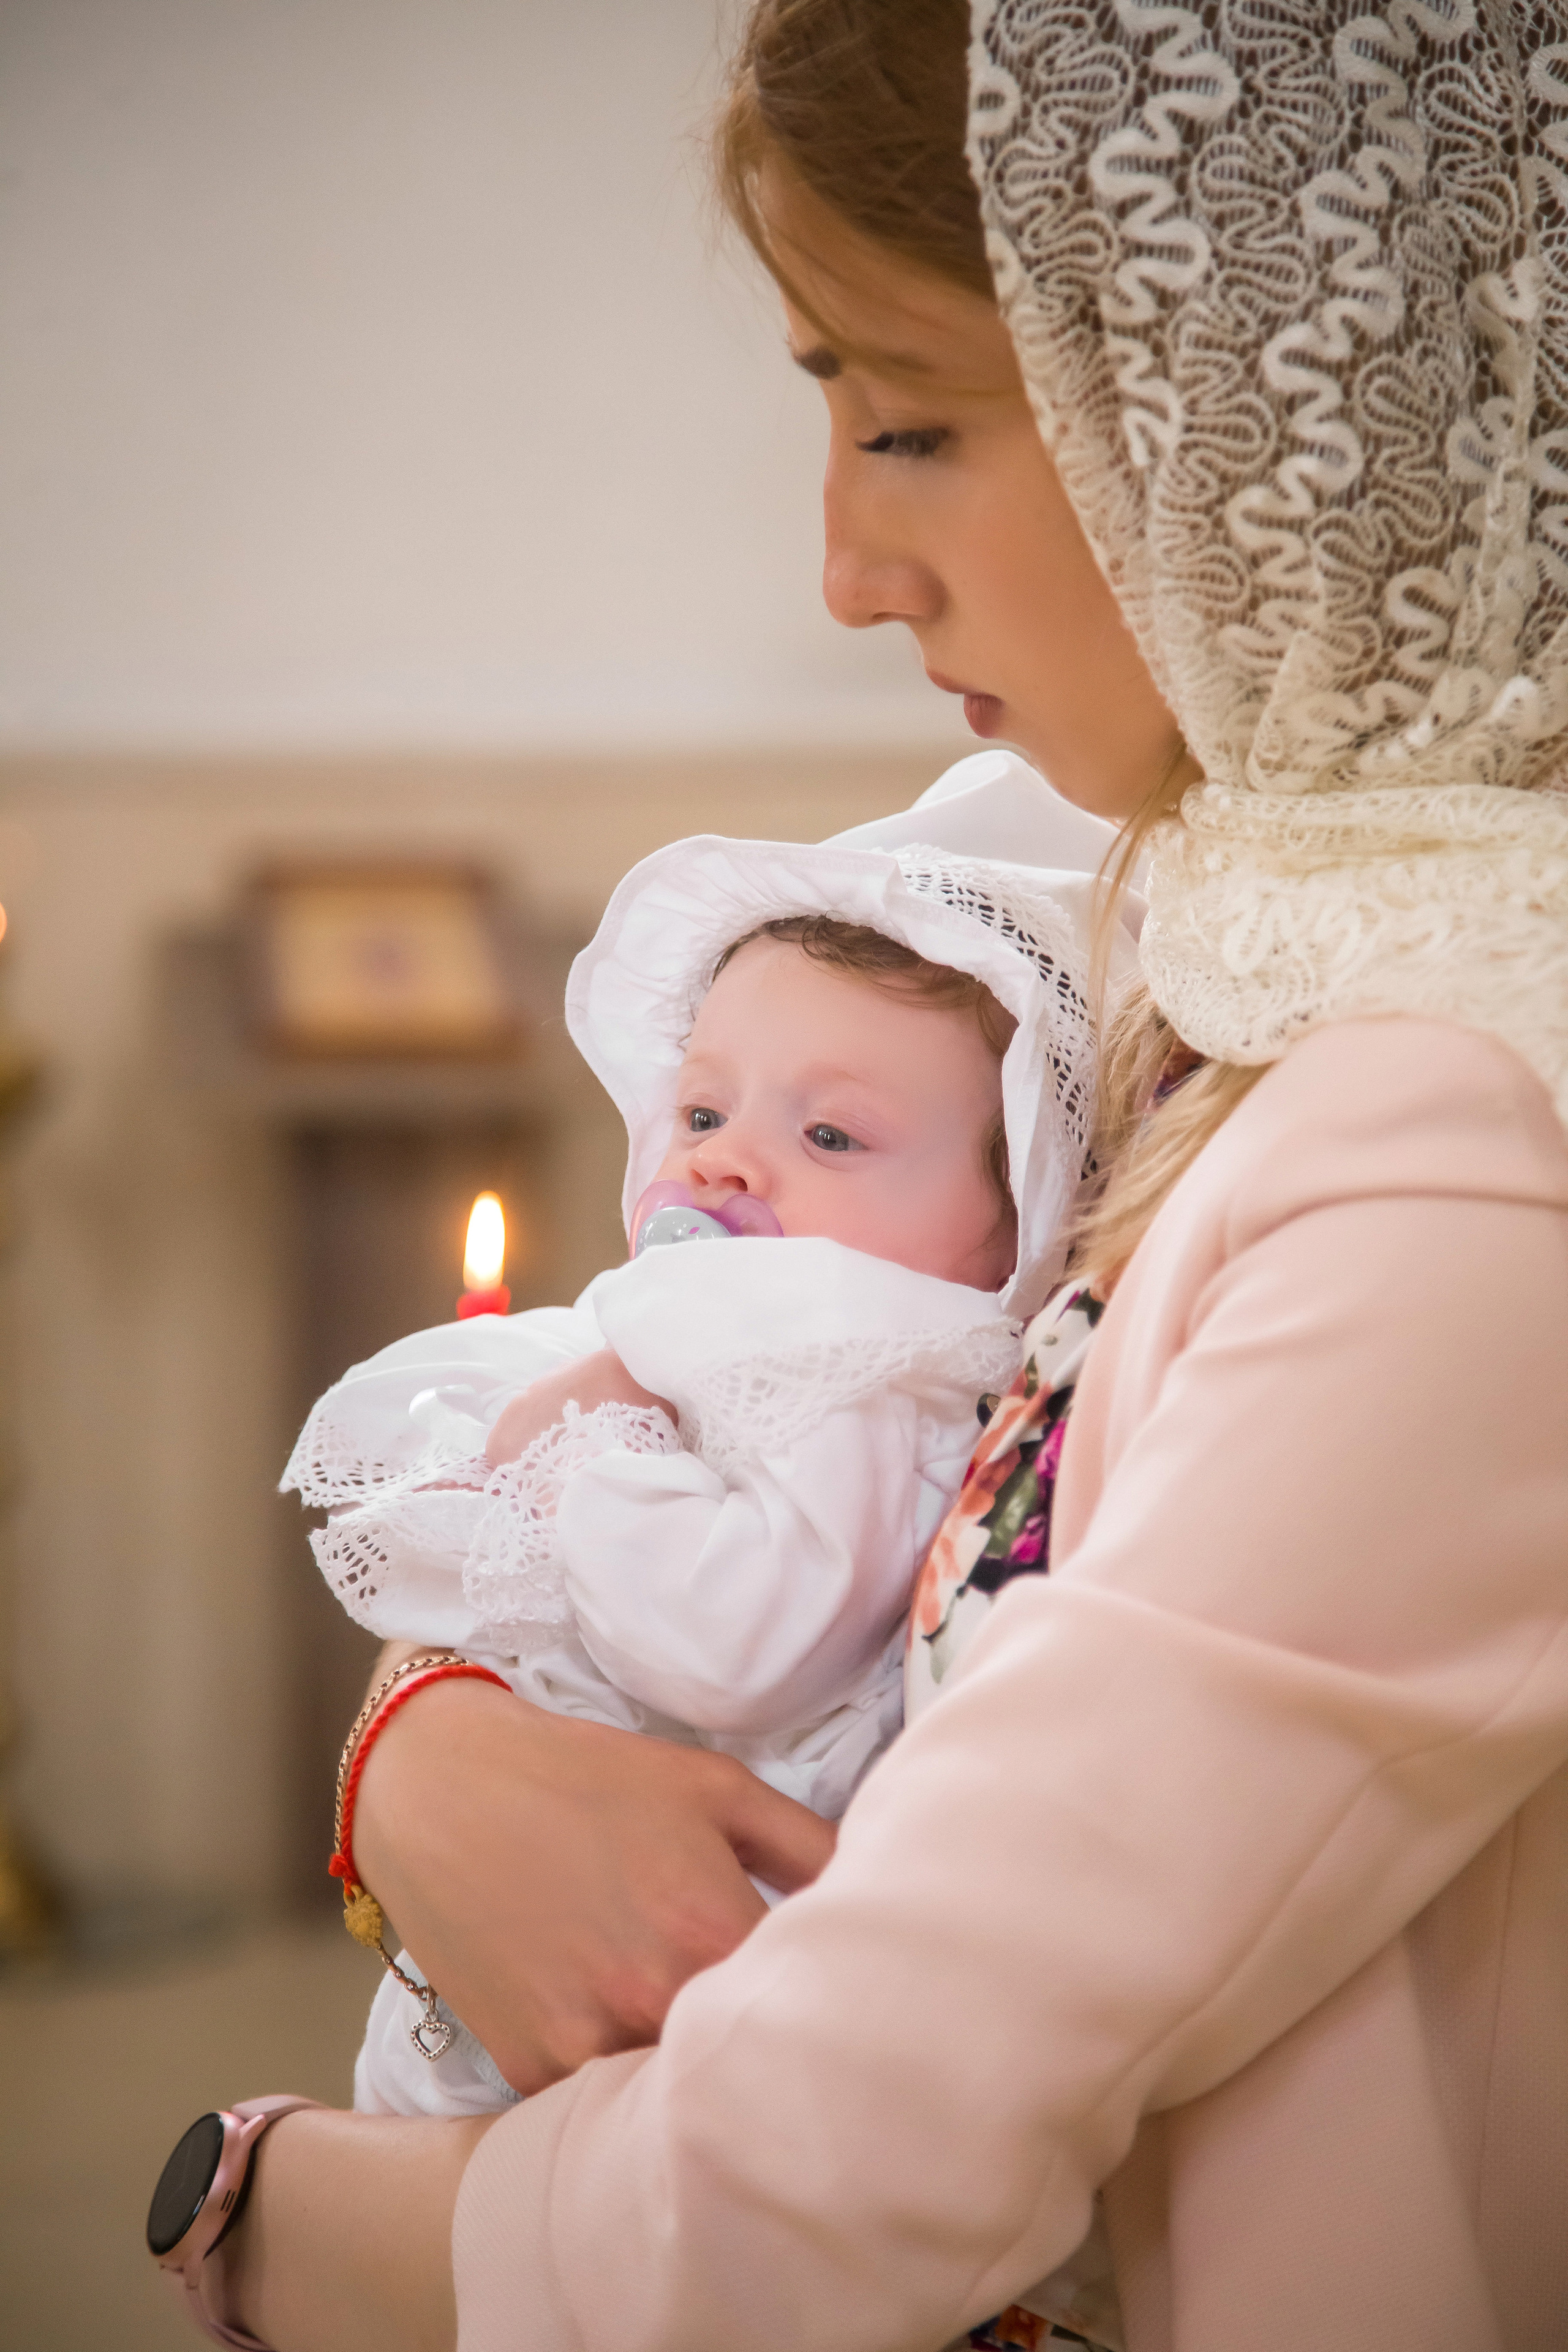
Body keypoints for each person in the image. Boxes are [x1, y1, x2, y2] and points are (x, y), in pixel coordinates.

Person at [165, 4, 1568, 2348]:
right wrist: (432, 1742)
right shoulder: (1192, 883)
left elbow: (832, 2170)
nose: (844, 568)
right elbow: (654, 1366)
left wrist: (260, 2217)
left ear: (1288, 415)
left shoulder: (1465, 1142)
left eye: (908, 417)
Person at [283, 818, 1134, 2119]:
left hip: (703, 1932)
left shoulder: (865, 1373)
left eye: (833, 1138)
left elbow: (737, 1642)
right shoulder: (739, 1349)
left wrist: (586, 1447)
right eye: (701, 1107)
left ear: (1001, 1234)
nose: (721, 1158)